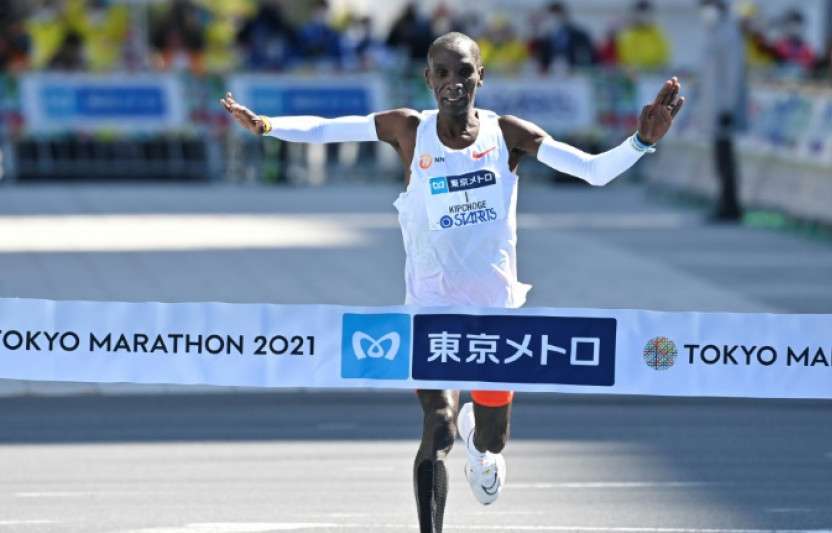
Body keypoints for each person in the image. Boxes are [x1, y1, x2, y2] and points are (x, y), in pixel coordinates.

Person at [220, 32, 683, 533]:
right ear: (428, 79)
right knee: (437, 424)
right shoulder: (407, 130)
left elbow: (591, 171)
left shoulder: (508, 134)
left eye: (464, 72)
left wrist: (641, 143)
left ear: (480, 76)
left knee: (492, 439)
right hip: (430, 308)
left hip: (494, 316)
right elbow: (328, 129)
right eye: (442, 73)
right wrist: (267, 126)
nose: (453, 83)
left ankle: (480, 449)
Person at [699, 0, 746, 222]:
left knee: (726, 158)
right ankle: (725, 201)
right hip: (715, 107)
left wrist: (727, 107)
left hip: (724, 109)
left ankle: (731, 204)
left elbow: (732, 74)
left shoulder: (728, 34)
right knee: (720, 157)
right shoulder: (714, 32)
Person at [616, 0, 670, 70]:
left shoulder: (657, 33)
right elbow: (624, 56)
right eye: (640, 15)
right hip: (636, 72)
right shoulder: (628, 35)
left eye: (646, 14)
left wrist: (661, 65)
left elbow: (665, 52)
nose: (643, 18)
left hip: (656, 71)